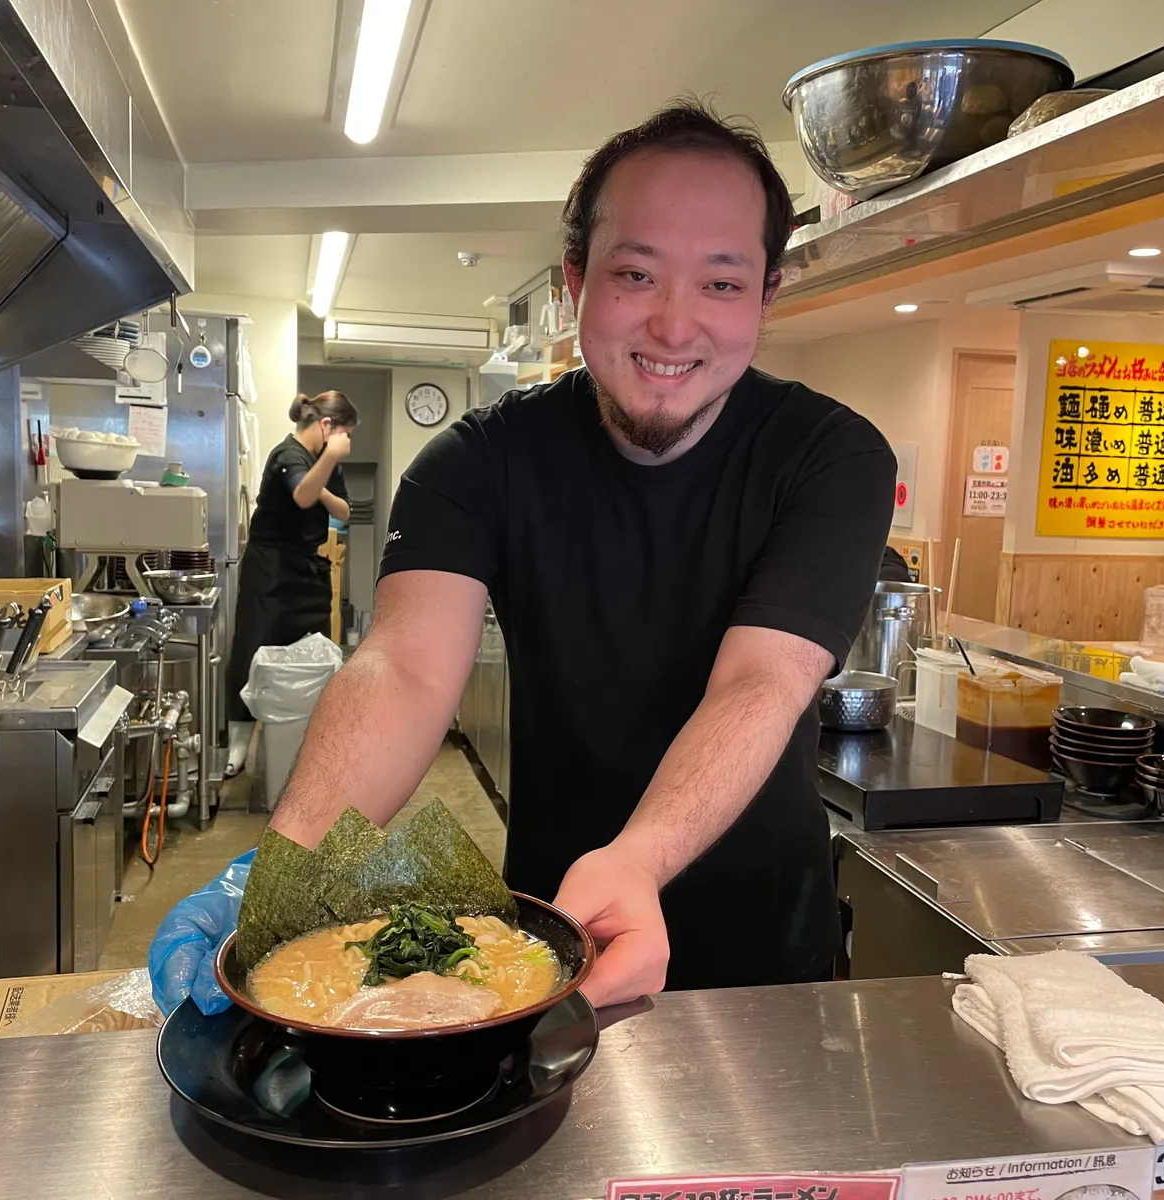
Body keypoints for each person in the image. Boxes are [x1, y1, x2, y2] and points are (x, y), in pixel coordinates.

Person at [158, 100, 895, 1011]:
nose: (673, 326)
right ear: (575, 280)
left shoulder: (832, 457)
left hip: (766, 961)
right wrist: (279, 871)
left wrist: (638, 860)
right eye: (636, 273)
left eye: (721, 283)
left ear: (766, 297)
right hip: (546, 941)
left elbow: (763, 681)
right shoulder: (478, 461)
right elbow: (404, 669)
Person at [224, 391, 357, 774]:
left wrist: (326, 478)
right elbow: (302, 496)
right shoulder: (288, 455)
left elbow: (345, 511)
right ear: (327, 426)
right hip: (270, 569)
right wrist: (329, 459)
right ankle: (238, 744)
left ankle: (304, 740)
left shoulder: (324, 462)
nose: (346, 443)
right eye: (343, 433)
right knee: (252, 651)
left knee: (311, 655)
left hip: (306, 568)